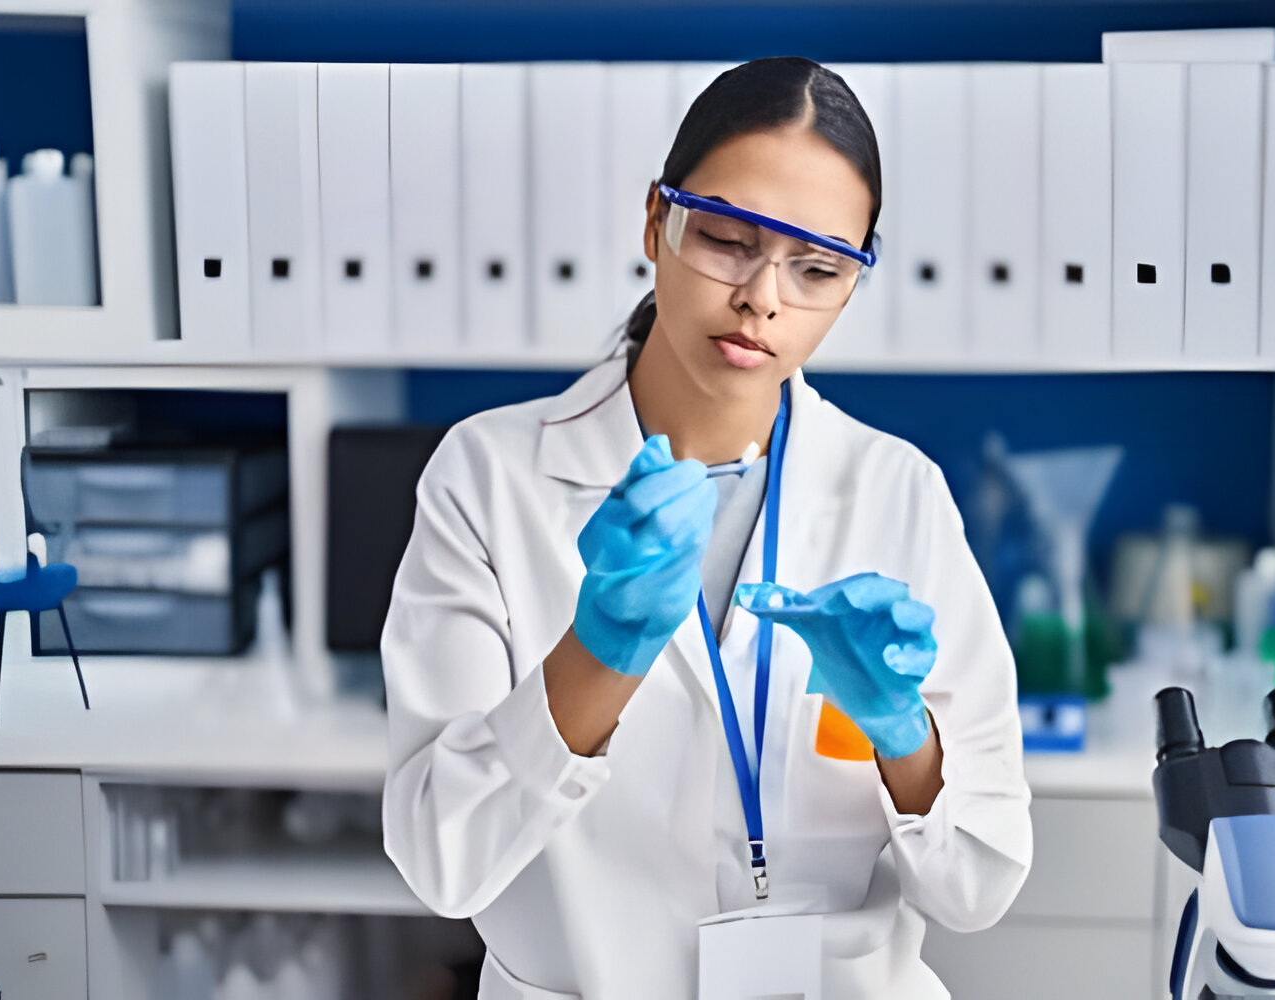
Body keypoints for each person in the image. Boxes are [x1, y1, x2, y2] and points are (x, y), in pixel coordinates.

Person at [381, 56, 1032, 999]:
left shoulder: (899, 493)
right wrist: (596, 656)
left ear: (852, 285)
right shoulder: (489, 479)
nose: (764, 298)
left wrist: (903, 736)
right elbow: (443, 860)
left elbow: (979, 883)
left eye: (815, 269)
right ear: (658, 221)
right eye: (729, 239)